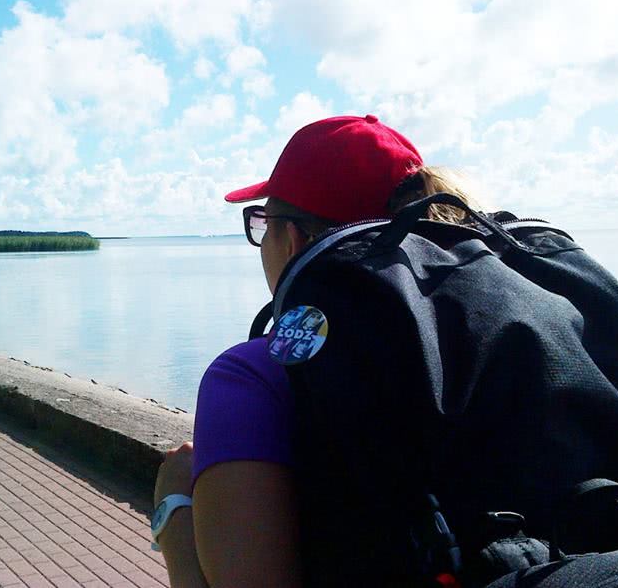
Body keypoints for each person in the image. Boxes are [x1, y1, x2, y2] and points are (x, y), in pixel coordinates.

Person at [151, 114, 481, 587]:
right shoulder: (479, 343)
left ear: (294, 238)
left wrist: (173, 511)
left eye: (263, 222)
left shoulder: (252, 377)